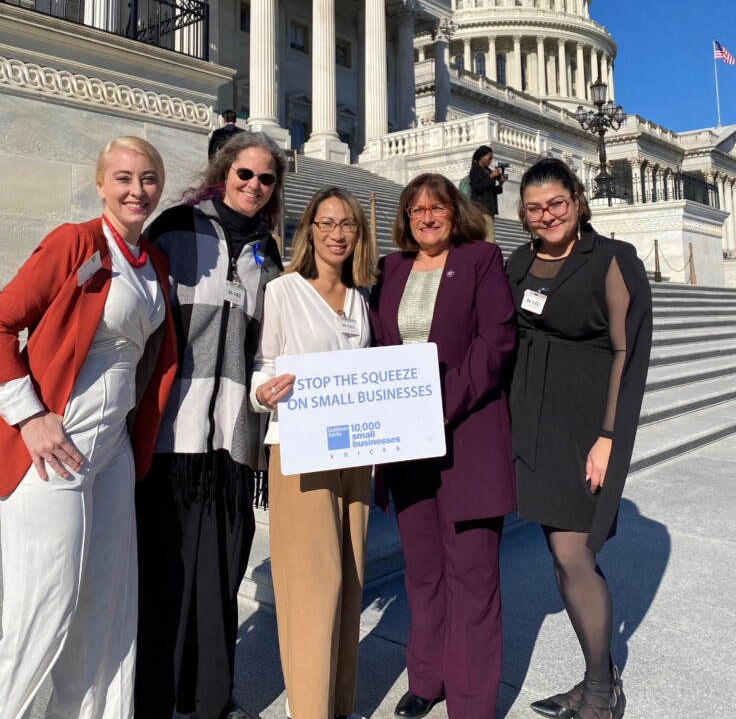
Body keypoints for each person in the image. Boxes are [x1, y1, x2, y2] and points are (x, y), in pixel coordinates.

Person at [0, 136, 176, 719]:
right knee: (44, 611)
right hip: (54, 448)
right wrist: (30, 417)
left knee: (108, 611)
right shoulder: (75, 241)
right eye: (124, 178)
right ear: (101, 184)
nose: (137, 190)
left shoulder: (153, 261)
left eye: (149, 179)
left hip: (110, 454)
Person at [134, 130, 285, 719]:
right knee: (166, 572)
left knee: (223, 571)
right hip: (175, 432)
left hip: (234, 437)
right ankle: (155, 696)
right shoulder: (176, 228)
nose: (253, 185)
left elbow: (269, 340)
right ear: (223, 173)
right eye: (244, 174)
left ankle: (209, 697)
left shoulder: (267, 253)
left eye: (265, 179)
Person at [506, 159, 652, 719]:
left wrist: (609, 437)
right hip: (534, 423)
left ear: (577, 201)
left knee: (574, 551)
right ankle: (598, 677)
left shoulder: (613, 260)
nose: (547, 216)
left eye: (557, 204)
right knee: (561, 554)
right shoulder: (520, 260)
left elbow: (627, 352)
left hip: (587, 424)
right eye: (535, 208)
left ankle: (599, 691)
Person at [369, 174, 517, 719]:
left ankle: (473, 700)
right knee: (423, 570)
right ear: (405, 219)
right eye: (415, 210)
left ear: (455, 213)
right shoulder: (392, 269)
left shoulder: (481, 259)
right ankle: (427, 677)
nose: (426, 217)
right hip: (407, 445)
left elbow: (496, 343)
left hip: (467, 434)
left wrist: (438, 404)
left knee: (473, 574)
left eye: (437, 207)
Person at [250, 186, 378, 719]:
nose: (337, 234)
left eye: (347, 224)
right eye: (325, 224)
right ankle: (307, 708)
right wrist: (263, 393)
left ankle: (338, 700)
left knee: (349, 577)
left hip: (355, 455)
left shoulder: (360, 300)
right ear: (308, 232)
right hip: (299, 448)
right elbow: (262, 366)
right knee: (311, 583)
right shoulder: (282, 291)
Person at [469, 144, 506, 216]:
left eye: (492, 159)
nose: (490, 161)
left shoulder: (488, 171)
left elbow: (493, 191)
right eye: (489, 158)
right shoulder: (475, 170)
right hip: (480, 208)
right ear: (482, 157)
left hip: (489, 208)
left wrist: (500, 184)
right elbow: (477, 188)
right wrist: (491, 176)